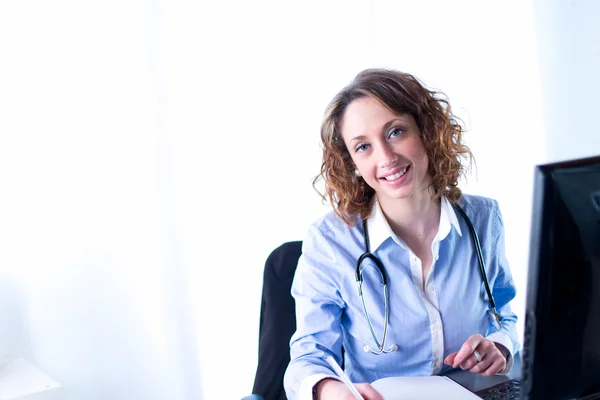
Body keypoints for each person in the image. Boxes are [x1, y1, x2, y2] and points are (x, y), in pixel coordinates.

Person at [283, 69, 519, 400]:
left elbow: (504, 314)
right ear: (351, 162)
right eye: (363, 146)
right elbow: (308, 358)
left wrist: (500, 346)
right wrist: (329, 391)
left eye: (395, 132)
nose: (386, 157)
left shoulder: (482, 219)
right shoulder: (331, 241)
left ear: (427, 130)